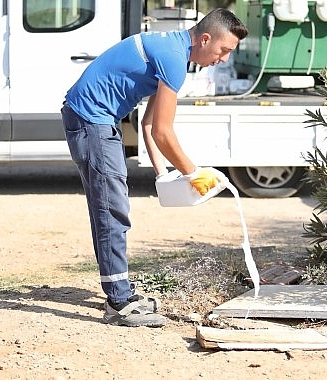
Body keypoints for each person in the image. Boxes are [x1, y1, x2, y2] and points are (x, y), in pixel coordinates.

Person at [61, 9, 248, 327]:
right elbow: (163, 130)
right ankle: (119, 303)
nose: (223, 59)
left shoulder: (172, 49)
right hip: (92, 120)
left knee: (110, 208)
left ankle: (120, 291)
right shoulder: (174, 59)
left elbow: (148, 124)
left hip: (92, 119)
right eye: (223, 50)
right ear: (205, 39)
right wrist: (193, 172)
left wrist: (162, 173)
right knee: (112, 210)